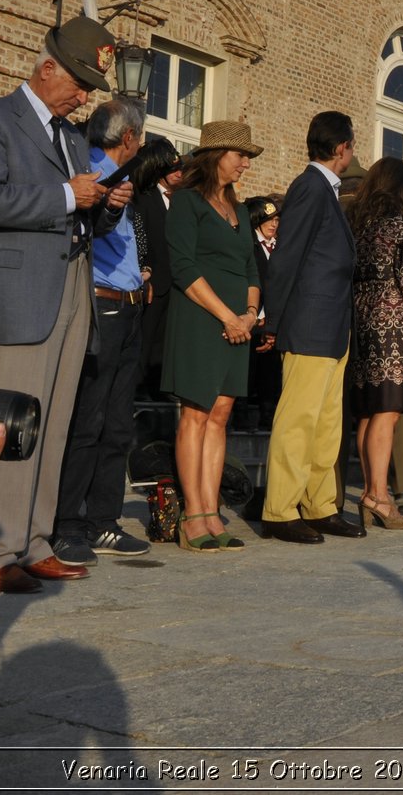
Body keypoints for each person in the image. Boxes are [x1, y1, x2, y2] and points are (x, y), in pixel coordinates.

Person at [0, 15, 133, 592]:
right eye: (79, 82)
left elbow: (81, 213)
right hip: (19, 293)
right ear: (47, 68)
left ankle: (34, 542)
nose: (84, 96)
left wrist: (106, 204)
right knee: (10, 425)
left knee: (53, 425)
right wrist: (66, 193)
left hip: (69, 290)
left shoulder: (72, 136)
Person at [51, 100, 153, 566]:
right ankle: (68, 523)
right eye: (141, 137)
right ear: (129, 137)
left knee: (117, 425)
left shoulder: (124, 182)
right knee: (88, 420)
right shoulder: (94, 173)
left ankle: (104, 521)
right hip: (102, 303)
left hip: (129, 305)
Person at [259, 111, 362, 544]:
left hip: (333, 326)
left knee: (326, 425)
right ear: (341, 148)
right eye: (352, 145)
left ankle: (319, 505)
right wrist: (274, 321)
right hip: (308, 323)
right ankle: (280, 510)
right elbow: (285, 258)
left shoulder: (327, 191)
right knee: (298, 420)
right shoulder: (309, 187)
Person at [162, 122, 262, 552]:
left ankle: (211, 509)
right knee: (196, 414)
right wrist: (226, 315)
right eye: (239, 155)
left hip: (238, 323)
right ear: (214, 155)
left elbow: (252, 268)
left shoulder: (239, 210)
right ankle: (193, 515)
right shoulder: (187, 201)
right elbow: (183, 267)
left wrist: (250, 314)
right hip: (200, 318)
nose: (245, 163)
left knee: (221, 416)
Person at [346, 159, 403, 527]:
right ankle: (379, 496)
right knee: (387, 413)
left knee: (368, 410)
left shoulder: (360, 227)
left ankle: (370, 491)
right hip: (394, 328)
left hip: (362, 325)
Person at [131, 138, 182, 399]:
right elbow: (141, 238)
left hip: (176, 284)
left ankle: (159, 389)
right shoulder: (144, 197)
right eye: (173, 169)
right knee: (145, 340)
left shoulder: (182, 201)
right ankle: (139, 391)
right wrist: (145, 272)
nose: (179, 173)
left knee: (165, 344)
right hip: (153, 282)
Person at [245, 194, 285, 426]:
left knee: (270, 374)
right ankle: (241, 417)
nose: (274, 224)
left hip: (273, 321)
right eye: (268, 219)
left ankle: (267, 417)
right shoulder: (247, 245)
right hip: (251, 318)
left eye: (276, 220)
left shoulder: (280, 247)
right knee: (248, 372)